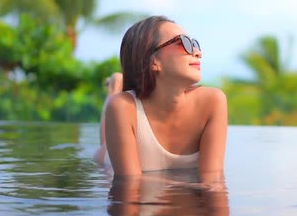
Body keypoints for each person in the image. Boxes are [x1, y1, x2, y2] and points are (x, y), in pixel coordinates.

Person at [93, 16, 228, 183]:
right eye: (183, 43)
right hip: (109, 160)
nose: (197, 52)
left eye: (194, 44)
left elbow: (213, 182)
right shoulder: (123, 107)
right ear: (153, 61)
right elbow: (130, 187)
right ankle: (115, 85)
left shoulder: (213, 102)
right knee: (113, 109)